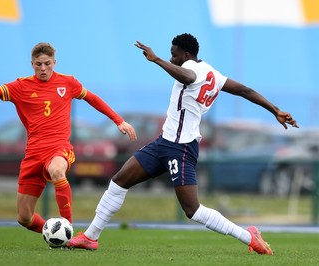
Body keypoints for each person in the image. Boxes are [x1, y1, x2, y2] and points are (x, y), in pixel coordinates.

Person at [66, 33, 299, 254]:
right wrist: (275, 110)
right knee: (119, 181)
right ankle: (90, 236)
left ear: (186, 55)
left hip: (182, 147)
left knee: (192, 210)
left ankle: (249, 237)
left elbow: (188, 77)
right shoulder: (212, 73)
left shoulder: (191, 69)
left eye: (174, 54)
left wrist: (156, 59)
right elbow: (245, 90)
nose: (171, 58)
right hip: (164, 142)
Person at [0, 42, 136, 234]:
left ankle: (67, 229)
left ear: (54, 62)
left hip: (59, 148)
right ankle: (55, 233)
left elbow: (92, 98)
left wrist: (118, 121)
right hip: (33, 153)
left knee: (57, 171)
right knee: (24, 217)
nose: (43, 69)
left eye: (47, 64)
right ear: (32, 64)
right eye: (39, 64)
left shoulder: (68, 83)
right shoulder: (21, 86)